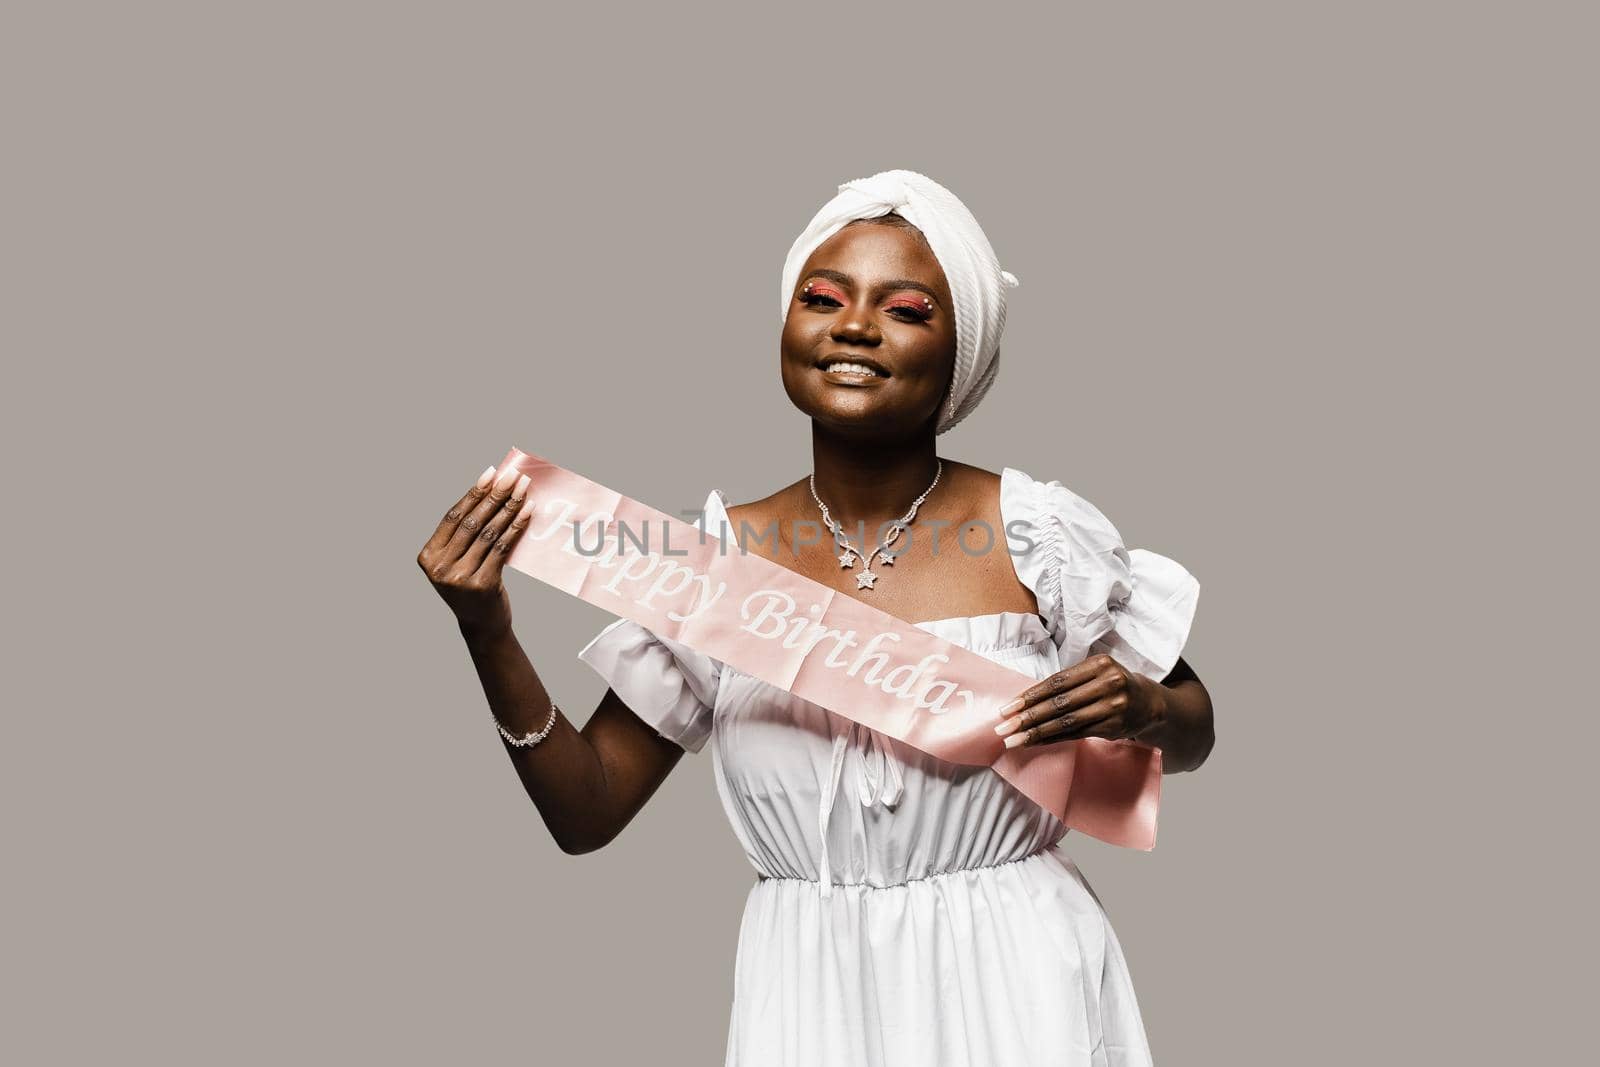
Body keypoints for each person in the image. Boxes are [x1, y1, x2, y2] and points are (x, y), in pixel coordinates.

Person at [417, 170, 1215, 1066]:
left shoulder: (1040, 536)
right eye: (822, 297)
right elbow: (586, 812)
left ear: (962, 351)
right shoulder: (711, 562)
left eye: (906, 309)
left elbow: (1191, 733)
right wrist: (487, 633)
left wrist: (1148, 709)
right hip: (807, 993)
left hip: (1021, 979)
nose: (855, 326)